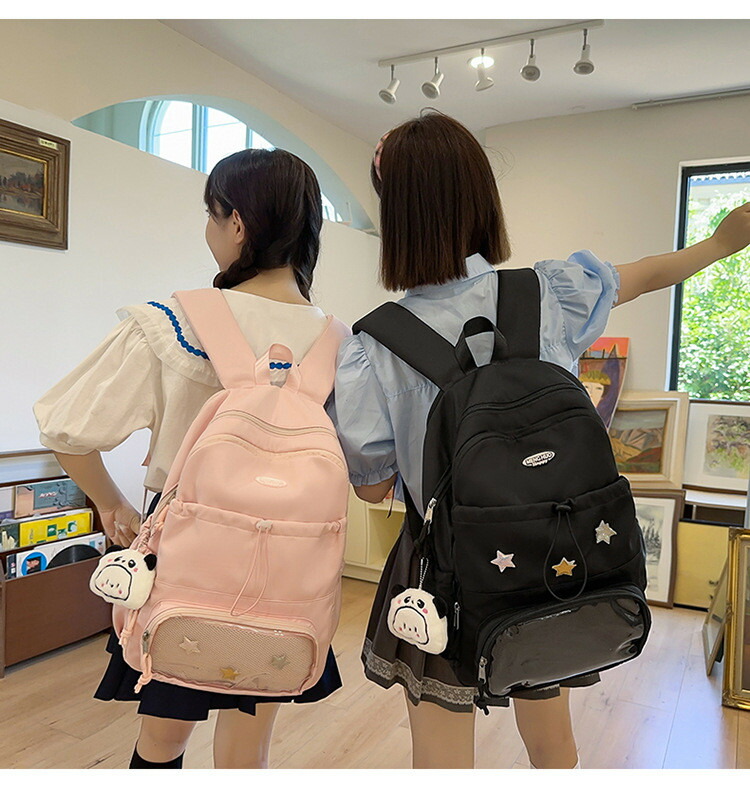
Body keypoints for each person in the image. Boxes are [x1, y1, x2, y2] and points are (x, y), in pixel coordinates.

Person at [329, 111, 750, 769]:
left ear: (394, 215)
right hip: (550, 544)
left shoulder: (372, 345)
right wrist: (721, 244)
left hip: (442, 569)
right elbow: (646, 274)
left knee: (440, 756)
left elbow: (373, 485)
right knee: (553, 742)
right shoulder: (548, 292)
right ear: (480, 196)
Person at [33, 148, 347, 769]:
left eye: (211, 214)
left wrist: (113, 506)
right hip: (289, 562)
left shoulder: (175, 323)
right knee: (248, 746)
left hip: (185, 555)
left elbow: (66, 428)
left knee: (162, 738)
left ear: (238, 223)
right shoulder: (338, 342)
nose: (209, 230)